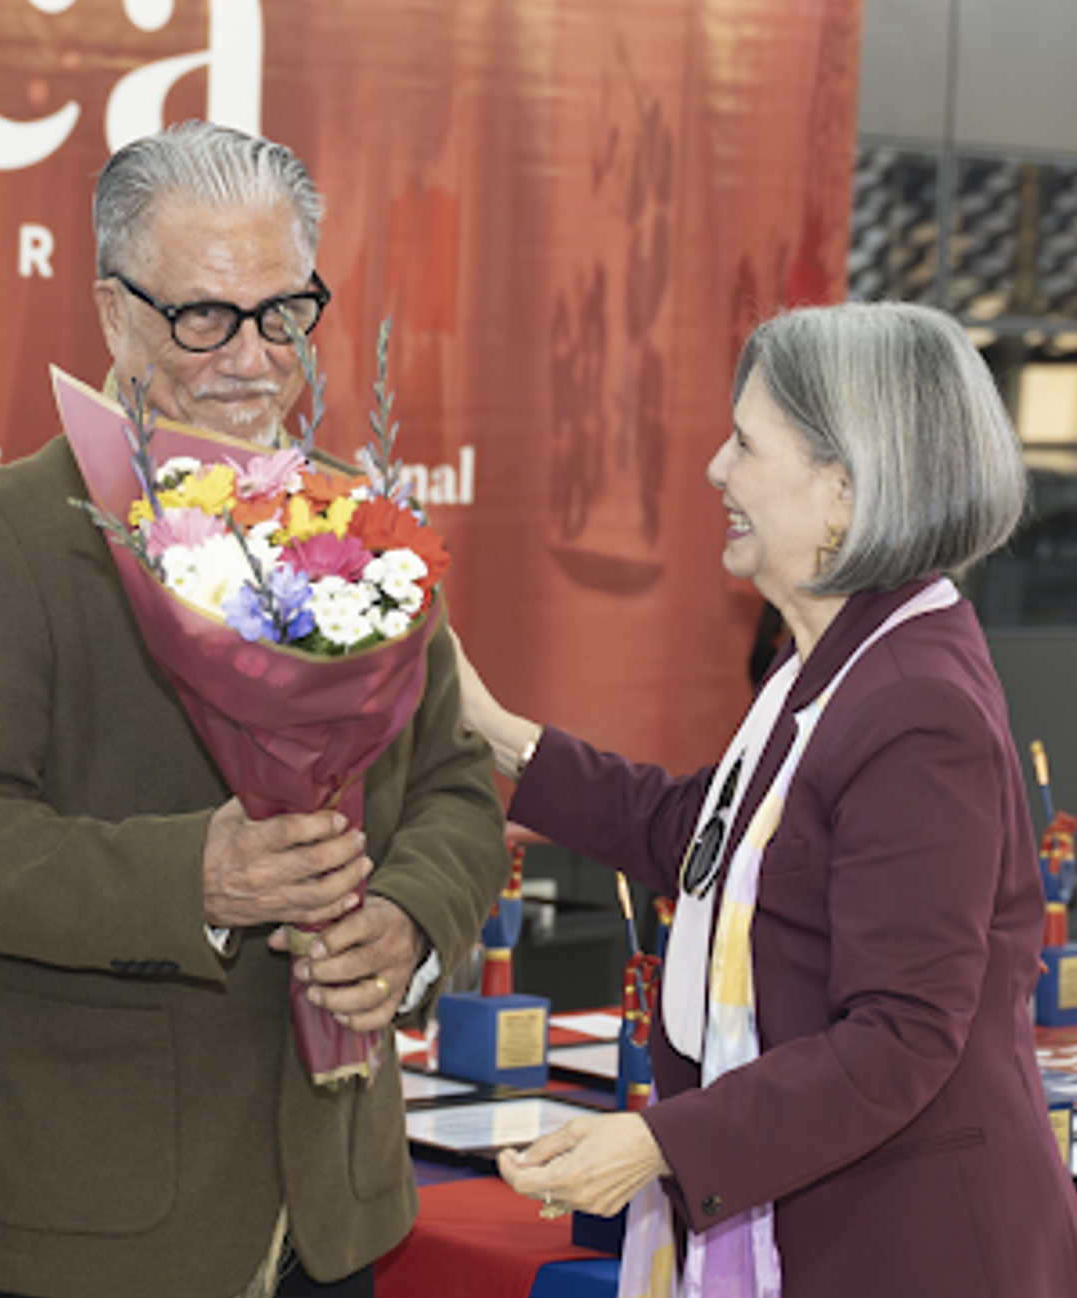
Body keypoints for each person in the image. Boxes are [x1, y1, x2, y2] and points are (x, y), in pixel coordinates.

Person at [0, 121, 508, 1298]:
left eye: (282, 311)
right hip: (87, 1224)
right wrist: (193, 881)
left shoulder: (356, 526)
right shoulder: (5, 532)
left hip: (332, 1209)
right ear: (115, 314)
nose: (252, 358)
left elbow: (455, 781)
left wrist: (411, 920)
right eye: (203, 315)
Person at [454, 302, 1077, 1294]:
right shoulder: (827, 662)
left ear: (842, 489)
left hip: (911, 1246)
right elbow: (694, 833)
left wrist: (659, 1141)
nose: (715, 469)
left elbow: (901, 1036)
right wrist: (489, 727)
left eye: (745, 442)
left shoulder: (913, 704)